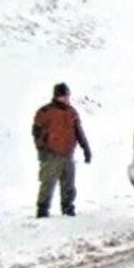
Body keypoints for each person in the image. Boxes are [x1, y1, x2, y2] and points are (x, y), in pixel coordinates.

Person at [31, 83, 91, 217]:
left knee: (69, 184)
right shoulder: (45, 112)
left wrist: (85, 148)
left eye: (67, 96)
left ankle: (68, 208)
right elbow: (36, 131)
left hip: (68, 154)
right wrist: (42, 148)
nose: (66, 99)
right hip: (51, 154)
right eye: (64, 96)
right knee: (48, 184)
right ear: (57, 96)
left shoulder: (72, 112)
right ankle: (42, 209)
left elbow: (78, 131)